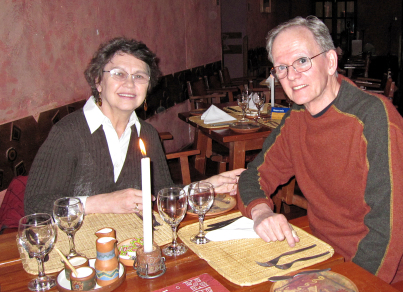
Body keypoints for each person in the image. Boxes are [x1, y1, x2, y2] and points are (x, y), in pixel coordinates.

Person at [236, 16, 403, 284]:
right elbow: (253, 176)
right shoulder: (296, 120)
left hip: (382, 275)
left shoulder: (374, 118)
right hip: (322, 257)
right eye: (281, 67)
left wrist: (349, 283)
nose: (292, 76)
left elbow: (387, 231)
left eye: (302, 60)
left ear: (330, 62)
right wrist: (261, 211)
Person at [25, 37, 243, 216]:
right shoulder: (68, 133)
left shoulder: (147, 134)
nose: (130, 84)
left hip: (133, 247)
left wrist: (203, 188)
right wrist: (101, 204)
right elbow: (35, 205)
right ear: (98, 81)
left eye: (139, 76)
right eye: (118, 74)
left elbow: (160, 195)